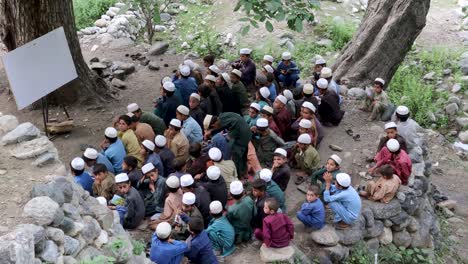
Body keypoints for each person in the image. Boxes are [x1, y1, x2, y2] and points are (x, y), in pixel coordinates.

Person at [205, 113, 252, 177]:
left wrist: (229, 136)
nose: (214, 128)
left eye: (213, 127)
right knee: (243, 155)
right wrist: (212, 132)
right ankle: (244, 172)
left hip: (242, 136)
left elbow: (230, 133)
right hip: (245, 132)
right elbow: (221, 126)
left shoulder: (229, 122)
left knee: (236, 155)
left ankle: (238, 175)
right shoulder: (222, 117)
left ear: (214, 123)